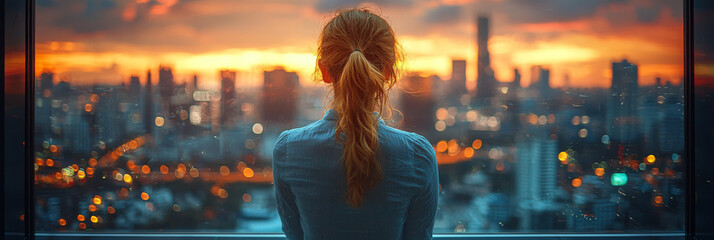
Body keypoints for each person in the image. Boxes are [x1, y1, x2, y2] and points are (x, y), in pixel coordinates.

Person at [272, 8, 439, 240]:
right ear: (388, 72)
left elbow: (294, 235)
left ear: (324, 71)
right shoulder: (417, 154)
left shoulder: (288, 149)